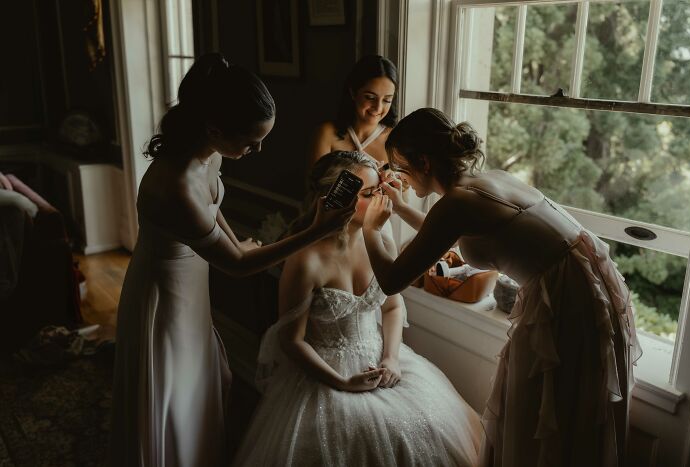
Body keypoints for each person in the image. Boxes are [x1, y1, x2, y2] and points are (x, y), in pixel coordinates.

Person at [109, 54, 355, 467]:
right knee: (174, 388)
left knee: (199, 385)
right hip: (164, 294)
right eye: (250, 140)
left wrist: (236, 241)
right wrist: (315, 230)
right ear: (213, 128)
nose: (257, 150)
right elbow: (237, 266)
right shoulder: (175, 187)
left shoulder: (211, 154)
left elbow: (219, 219)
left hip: (192, 285)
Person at [362, 108, 641, 467]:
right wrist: (400, 209)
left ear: (424, 163)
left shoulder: (456, 205)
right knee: (559, 410)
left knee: (546, 411)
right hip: (587, 287)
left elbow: (391, 280)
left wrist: (370, 229)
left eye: (399, 167)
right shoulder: (486, 181)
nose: (398, 176)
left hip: (567, 305)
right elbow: (448, 239)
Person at [232, 151, 482, 467]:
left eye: (378, 188)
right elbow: (290, 340)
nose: (381, 198)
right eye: (368, 193)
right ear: (335, 199)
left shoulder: (379, 236)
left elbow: (392, 306)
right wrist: (341, 382)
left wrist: (391, 358)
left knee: (430, 426)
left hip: (381, 356)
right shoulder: (305, 259)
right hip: (324, 372)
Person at [309, 55, 398, 166]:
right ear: (353, 92)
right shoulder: (326, 134)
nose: (378, 107)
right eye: (370, 97)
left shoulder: (395, 141)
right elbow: (312, 182)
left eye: (387, 100)